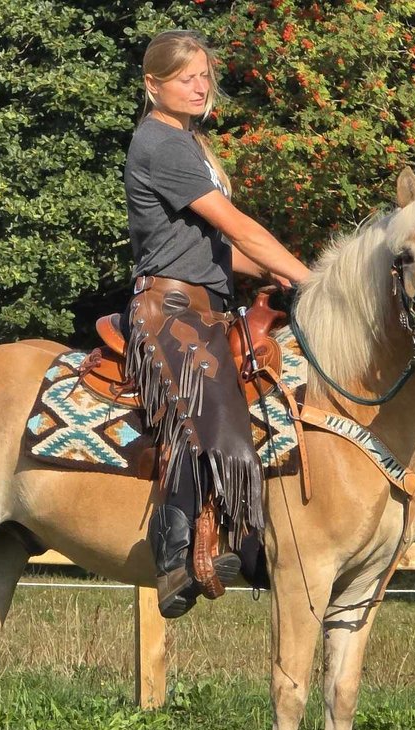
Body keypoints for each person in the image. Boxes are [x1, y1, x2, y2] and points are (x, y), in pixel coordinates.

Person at [124, 30, 311, 618]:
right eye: (186, 77)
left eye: (205, 74)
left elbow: (215, 251)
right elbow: (237, 227)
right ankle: (176, 553)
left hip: (206, 299)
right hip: (172, 310)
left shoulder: (192, 141)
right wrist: (310, 280)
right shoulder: (164, 142)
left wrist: (273, 274)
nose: (201, 85)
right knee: (213, 420)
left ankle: (242, 538)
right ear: (153, 85)